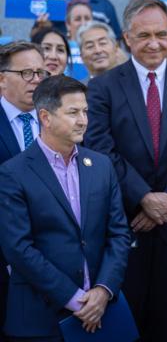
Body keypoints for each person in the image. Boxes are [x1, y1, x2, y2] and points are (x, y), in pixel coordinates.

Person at [84, 0, 167, 342]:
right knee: (127, 321)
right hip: (125, 226)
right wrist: (143, 197)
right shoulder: (102, 88)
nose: (154, 44)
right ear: (127, 38)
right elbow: (100, 149)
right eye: (144, 36)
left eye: (162, 34)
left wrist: (163, 205)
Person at [0, 75, 130, 339]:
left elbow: (119, 234)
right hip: (39, 319)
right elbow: (18, 248)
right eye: (73, 112)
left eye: (85, 111)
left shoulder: (102, 166)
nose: (83, 120)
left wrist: (103, 290)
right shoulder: (12, 173)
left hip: (102, 314)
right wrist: (75, 299)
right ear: (46, 117)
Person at [0, 42, 48, 339]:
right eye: (26, 73)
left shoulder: (55, 120)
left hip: (52, 260)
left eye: (41, 73)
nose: (36, 80)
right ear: (2, 77)